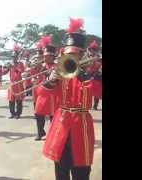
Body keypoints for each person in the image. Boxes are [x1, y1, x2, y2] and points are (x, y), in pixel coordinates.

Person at [42, 18, 95, 180]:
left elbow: (88, 97)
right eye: (67, 54)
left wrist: (78, 72)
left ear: (81, 54)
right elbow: (43, 96)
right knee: (61, 168)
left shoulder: (90, 74)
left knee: (81, 170)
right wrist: (50, 80)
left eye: (74, 54)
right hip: (61, 124)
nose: (70, 57)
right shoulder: (60, 72)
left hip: (81, 125)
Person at [33, 36, 58, 141]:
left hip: (53, 94)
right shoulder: (41, 65)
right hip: (41, 94)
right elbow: (32, 74)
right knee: (38, 114)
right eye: (44, 55)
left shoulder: (57, 66)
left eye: (47, 56)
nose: (45, 57)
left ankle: (53, 134)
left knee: (53, 116)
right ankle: (40, 132)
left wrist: (50, 72)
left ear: (52, 56)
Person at [2, 43, 25, 119]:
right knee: (11, 100)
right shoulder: (10, 64)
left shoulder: (20, 64)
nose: (13, 58)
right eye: (12, 57)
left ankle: (18, 114)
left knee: (19, 100)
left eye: (14, 56)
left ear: (17, 57)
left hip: (18, 84)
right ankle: (12, 113)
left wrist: (14, 67)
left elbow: (21, 71)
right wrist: (5, 68)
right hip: (12, 84)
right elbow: (4, 72)